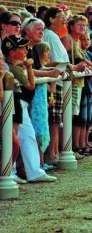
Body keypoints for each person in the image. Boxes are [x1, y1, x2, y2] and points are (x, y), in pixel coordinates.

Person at [3, 35, 57, 182]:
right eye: (22, 48)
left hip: (20, 103)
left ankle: (33, 171)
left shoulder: (16, 66)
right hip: (14, 104)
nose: (26, 50)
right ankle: (10, 172)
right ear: (12, 52)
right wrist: (29, 67)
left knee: (27, 136)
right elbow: (31, 85)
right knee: (13, 138)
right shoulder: (14, 67)